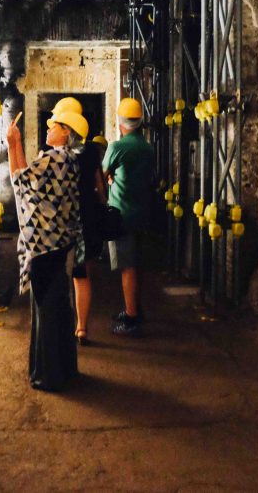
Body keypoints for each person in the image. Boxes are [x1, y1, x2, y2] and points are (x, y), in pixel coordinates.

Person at [7, 105, 89, 392]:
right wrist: (15, 145)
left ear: (65, 133)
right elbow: (28, 179)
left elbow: (19, 180)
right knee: (56, 307)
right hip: (59, 244)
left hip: (44, 245)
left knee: (47, 310)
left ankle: (48, 374)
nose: (48, 127)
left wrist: (12, 144)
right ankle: (64, 369)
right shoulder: (65, 160)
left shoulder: (55, 160)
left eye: (54, 124)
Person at [49, 99, 107, 346]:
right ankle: (81, 327)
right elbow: (99, 186)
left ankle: (63, 325)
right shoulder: (92, 151)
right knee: (82, 274)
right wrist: (102, 207)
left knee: (62, 273)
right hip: (89, 215)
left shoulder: (58, 155)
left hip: (65, 218)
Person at [103, 97, 155, 337]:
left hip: (121, 214)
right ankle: (135, 308)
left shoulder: (117, 147)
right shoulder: (147, 147)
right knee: (137, 264)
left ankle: (131, 318)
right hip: (143, 212)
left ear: (120, 121)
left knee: (127, 267)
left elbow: (102, 174)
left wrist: (110, 182)